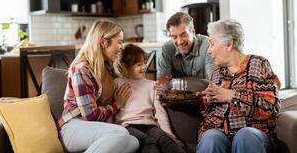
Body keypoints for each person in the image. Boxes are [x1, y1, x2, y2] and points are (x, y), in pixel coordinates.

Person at [195, 19, 281, 153]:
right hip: (219, 132)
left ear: (229, 44)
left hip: (253, 132)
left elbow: (272, 109)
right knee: (210, 139)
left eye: (212, 44)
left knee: (245, 136)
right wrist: (205, 100)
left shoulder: (259, 64)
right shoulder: (217, 72)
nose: (209, 52)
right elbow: (210, 112)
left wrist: (231, 95)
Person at [57, 20, 139, 153]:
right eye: (119, 42)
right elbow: (90, 116)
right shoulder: (82, 69)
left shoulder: (106, 67)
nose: (122, 47)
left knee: (133, 142)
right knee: (121, 133)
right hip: (72, 127)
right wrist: (116, 105)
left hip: (94, 128)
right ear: (103, 42)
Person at [114, 43, 186, 153]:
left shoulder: (152, 85)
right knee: (149, 143)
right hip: (128, 126)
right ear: (125, 66)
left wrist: (169, 134)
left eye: (144, 63)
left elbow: (160, 112)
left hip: (150, 125)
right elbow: (111, 108)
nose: (144, 67)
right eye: (139, 64)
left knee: (166, 141)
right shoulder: (117, 83)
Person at [157, 12, 213, 85]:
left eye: (183, 35)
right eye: (174, 37)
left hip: (204, 94)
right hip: (176, 95)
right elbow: (162, 83)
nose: (179, 42)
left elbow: (213, 82)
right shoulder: (166, 49)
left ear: (193, 31)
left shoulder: (208, 46)